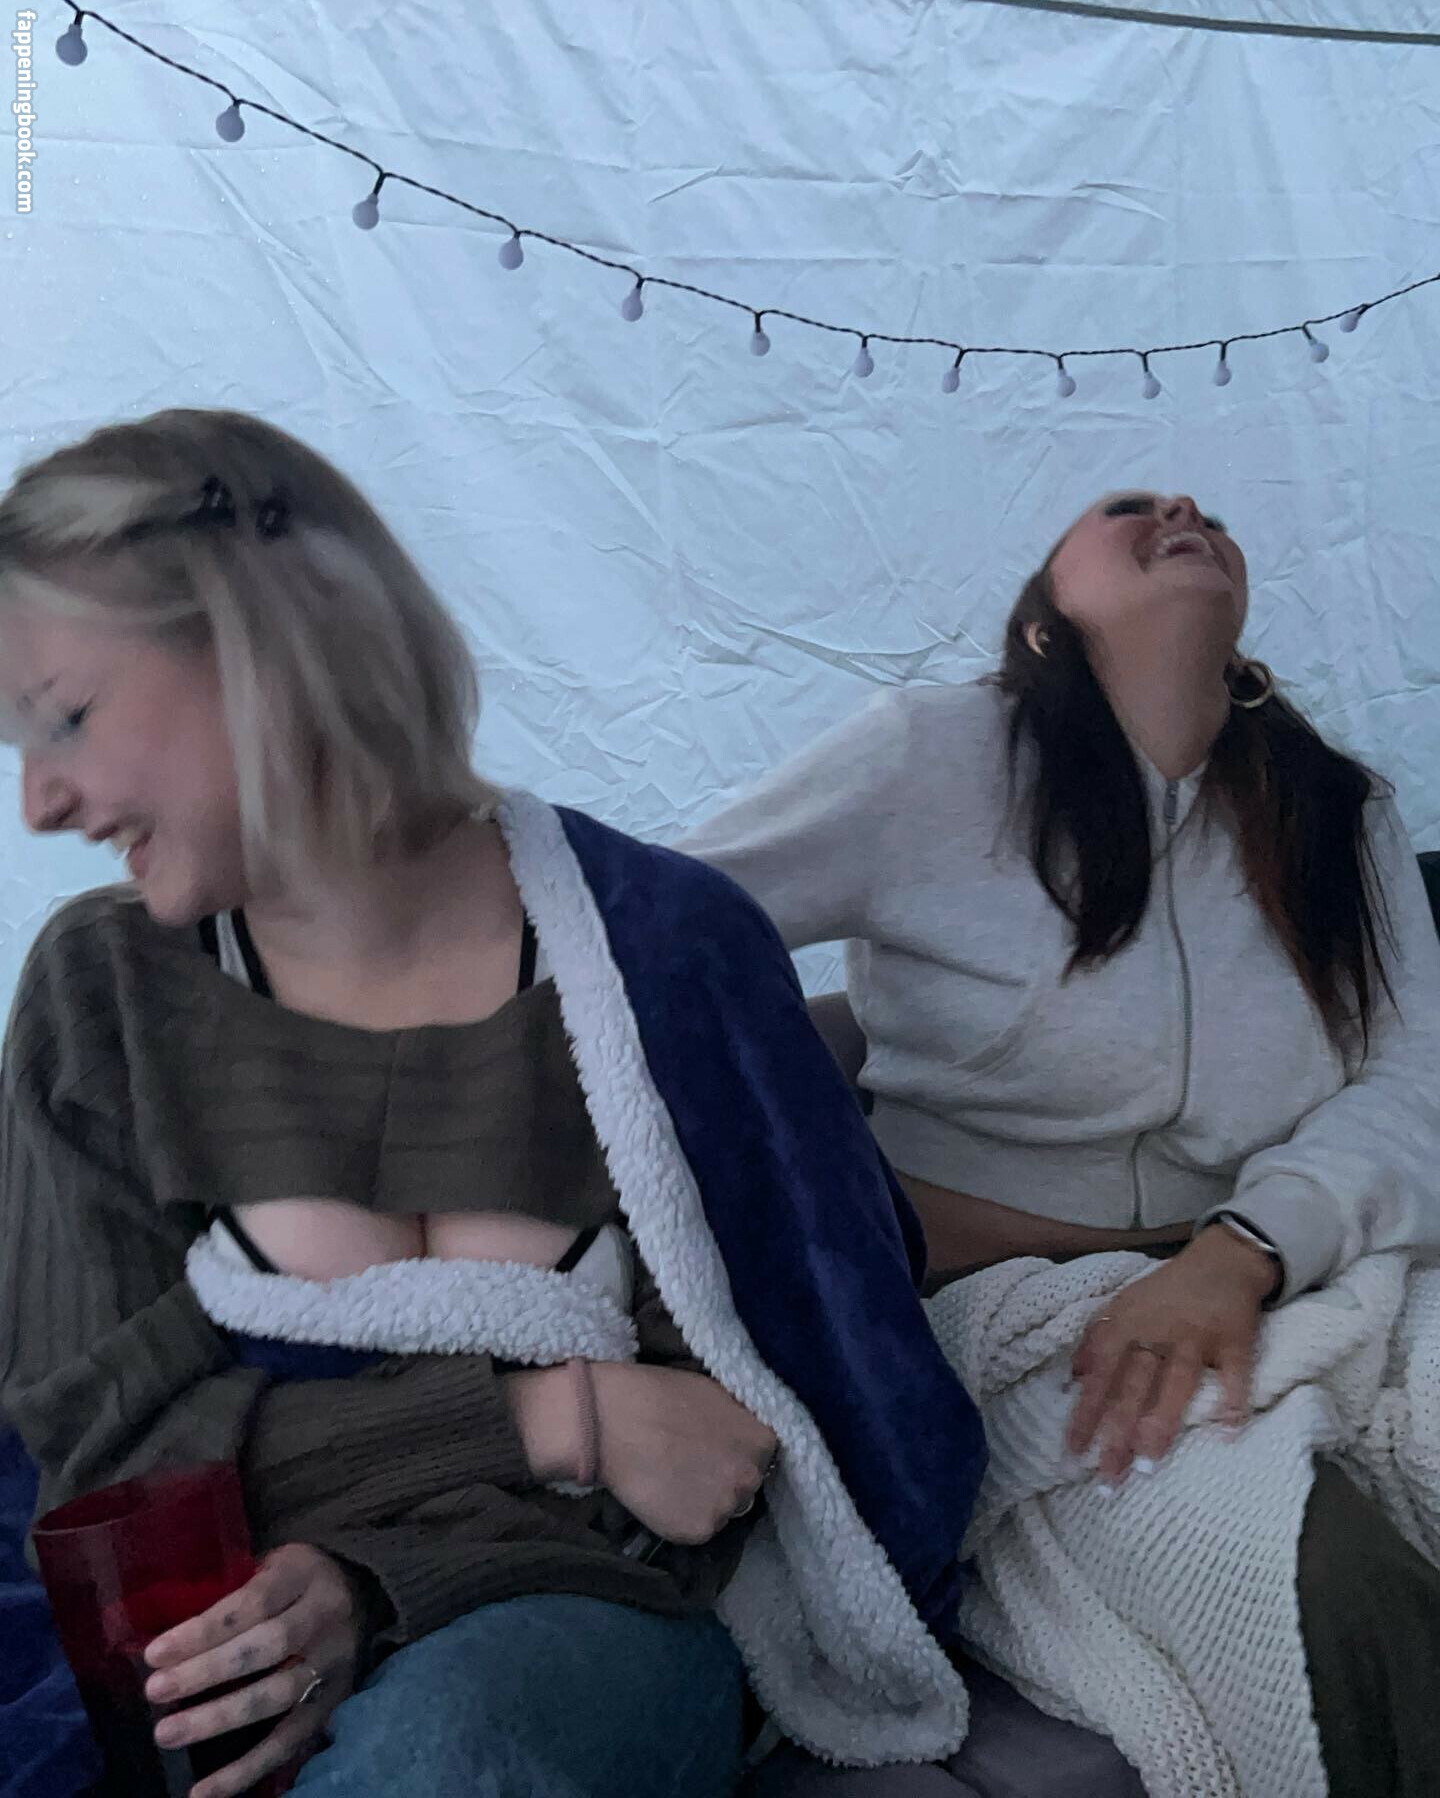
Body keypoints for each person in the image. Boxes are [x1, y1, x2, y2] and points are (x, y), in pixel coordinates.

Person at [0, 409, 986, 1798]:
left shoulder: (664, 953)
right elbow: (101, 1454)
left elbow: (766, 1420)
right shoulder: (97, 995)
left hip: (587, 1619)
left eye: (66, 719)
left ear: (253, 647)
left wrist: (386, 1577)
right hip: (223, 1634)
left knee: (446, 1752)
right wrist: (554, 1419)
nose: (40, 803)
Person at [682, 490, 1440, 1796]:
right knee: (1311, 1570)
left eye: (1203, 510)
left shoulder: (1337, 810)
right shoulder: (928, 758)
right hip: (1022, 1322)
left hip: (1300, 1270)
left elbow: (1413, 1079)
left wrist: (1243, 1251)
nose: (1180, 509)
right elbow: (646, 939)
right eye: (1125, 509)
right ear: (1044, 619)